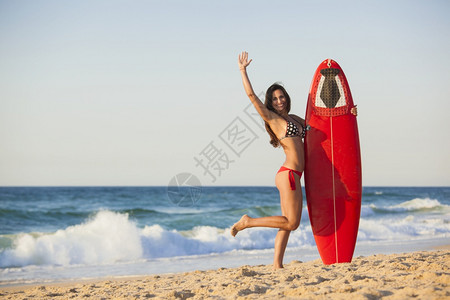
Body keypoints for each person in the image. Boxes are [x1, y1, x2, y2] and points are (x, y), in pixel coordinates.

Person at [230, 52, 357, 269]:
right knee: (292, 222)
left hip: (293, 175)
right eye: (275, 99)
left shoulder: (295, 119)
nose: (279, 101)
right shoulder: (274, 120)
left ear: (286, 98)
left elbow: (324, 127)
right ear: (271, 103)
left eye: (282, 97)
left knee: (287, 223)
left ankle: (277, 265)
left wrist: (348, 114)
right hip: (288, 174)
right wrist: (243, 71)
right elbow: (251, 96)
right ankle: (248, 222)